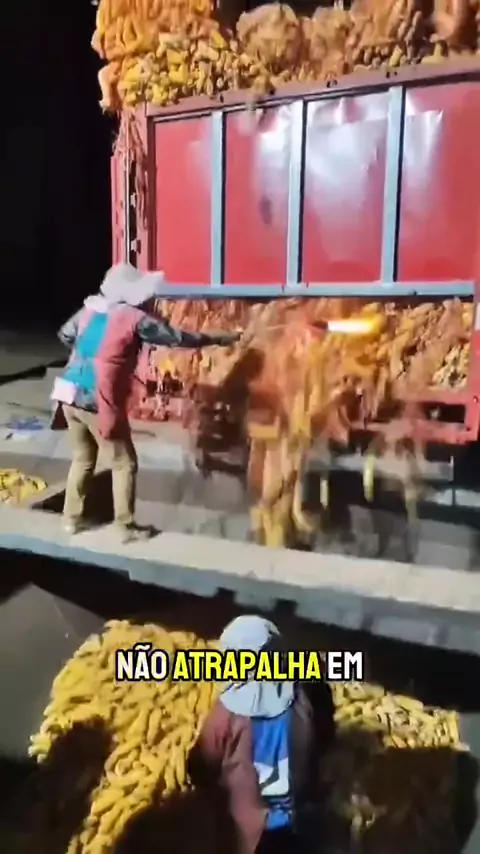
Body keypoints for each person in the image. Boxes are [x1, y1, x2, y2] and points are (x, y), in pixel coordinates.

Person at [52, 262, 241, 542]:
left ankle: (70, 519)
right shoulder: (133, 318)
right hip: (96, 399)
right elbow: (176, 338)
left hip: (68, 392)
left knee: (83, 458)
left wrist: (88, 355)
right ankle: (125, 527)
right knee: (124, 463)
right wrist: (218, 338)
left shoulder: (89, 310)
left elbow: (65, 334)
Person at [188, 615, 336, 854]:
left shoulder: (226, 714)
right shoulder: (309, 689)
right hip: (301, 819)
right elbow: (327, 735)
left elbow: (201, 766)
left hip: (250, 834)